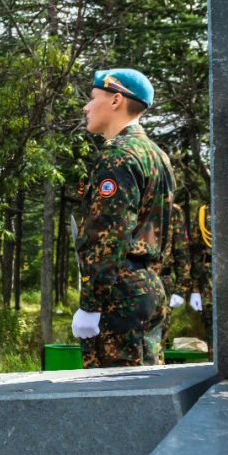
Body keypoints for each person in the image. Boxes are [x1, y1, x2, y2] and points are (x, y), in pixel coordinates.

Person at [72, 69, 176, 368]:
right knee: (145, 391)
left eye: (93, 98)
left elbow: (108, 236)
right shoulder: (157, 155)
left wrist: (91, 304)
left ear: (116, 100)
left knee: (113, 398)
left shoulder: (118, 156)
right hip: (149, 286)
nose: (86, 106)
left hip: (119, 293)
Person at [157, 202, 193, 359]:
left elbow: (181, 251)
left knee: (157, 337)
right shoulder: (131, 201)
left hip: (160, 280)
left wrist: (181, 288)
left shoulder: (172, 209)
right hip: (128, 278)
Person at [189, 203, 213, 353]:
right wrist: (195, 287)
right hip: (211, 272)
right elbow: (196, 251)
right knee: (210, 318)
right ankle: (214, 358)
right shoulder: (204, 213)